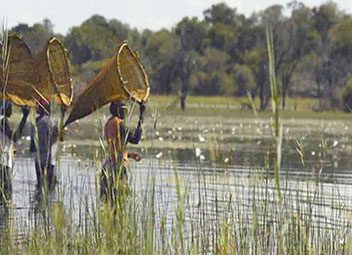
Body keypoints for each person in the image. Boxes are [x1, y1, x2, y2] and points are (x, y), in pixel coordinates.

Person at [101, 100, 146, 202]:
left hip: (107, 166)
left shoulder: (108, 123)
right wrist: (141, 115)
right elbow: (135, 139)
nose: (126, 113)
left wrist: (130, 155)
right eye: (124, 110)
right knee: (119, 201)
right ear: (119, 110)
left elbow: (115, 148)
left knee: (106, 201)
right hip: (118, 167)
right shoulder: (119, 124)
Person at [0, 101, 29, 202]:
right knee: (6, 197)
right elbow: (15, 137)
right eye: (9, 106)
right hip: (3, 165)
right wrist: (24, 117)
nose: (11, 109)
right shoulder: (2, 121)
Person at [30, 99, 58, 188]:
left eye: (38, 106)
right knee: (49, 188)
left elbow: (32, 147)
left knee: (40, 186)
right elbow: (56, 139)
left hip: (38, 160)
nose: (36, 107)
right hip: (48, 160)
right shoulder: (51, 122)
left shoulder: (36, 122)